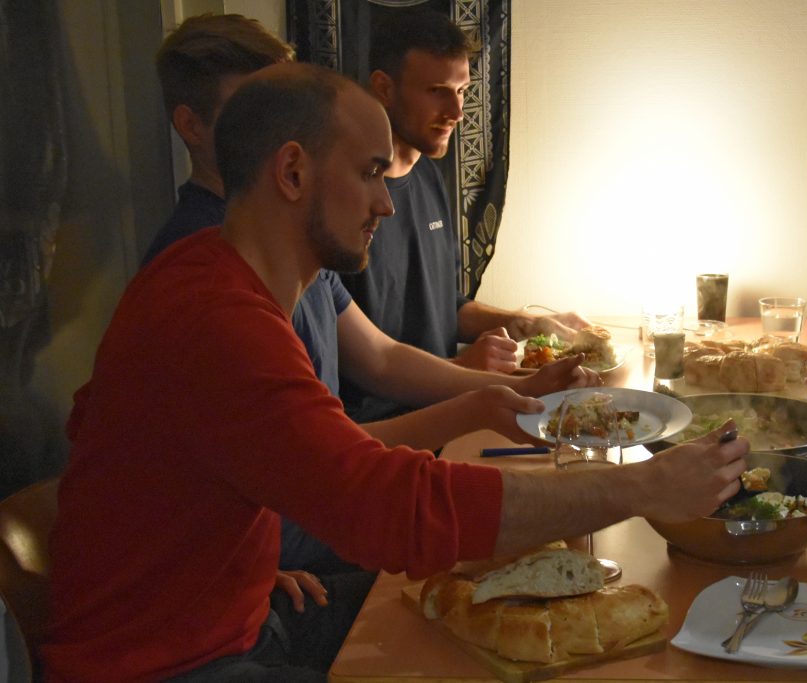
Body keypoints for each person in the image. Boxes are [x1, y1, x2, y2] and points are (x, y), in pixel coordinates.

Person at [41, 63, 749, 681]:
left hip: (242, 615)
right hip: (167, 667)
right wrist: (647, 483)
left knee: (515, 620)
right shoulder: (218, 321)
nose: (387, 202)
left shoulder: (215, 281)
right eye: (371, 172)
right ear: (292, 172)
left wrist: (238, 561)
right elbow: (393, 512)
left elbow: (183, 472)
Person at [148, 13, 598, 573]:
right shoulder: (207, 287)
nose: (384, 203)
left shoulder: (286, 244)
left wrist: (504, 391)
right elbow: (329, 469)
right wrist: (631, 490)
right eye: (368, 174)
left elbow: (380, 356)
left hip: (292, 536)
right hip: (272, 576)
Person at [340, 11, 590, 422]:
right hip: (393, 433)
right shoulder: (347, 203)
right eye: (438, 90)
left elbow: (444, 306)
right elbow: (366, 366)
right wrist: (463, 370)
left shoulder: (428, 176)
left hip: (453, 406)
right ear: (384, 88)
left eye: (461, 90)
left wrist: (526, 323)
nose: (457, 110)